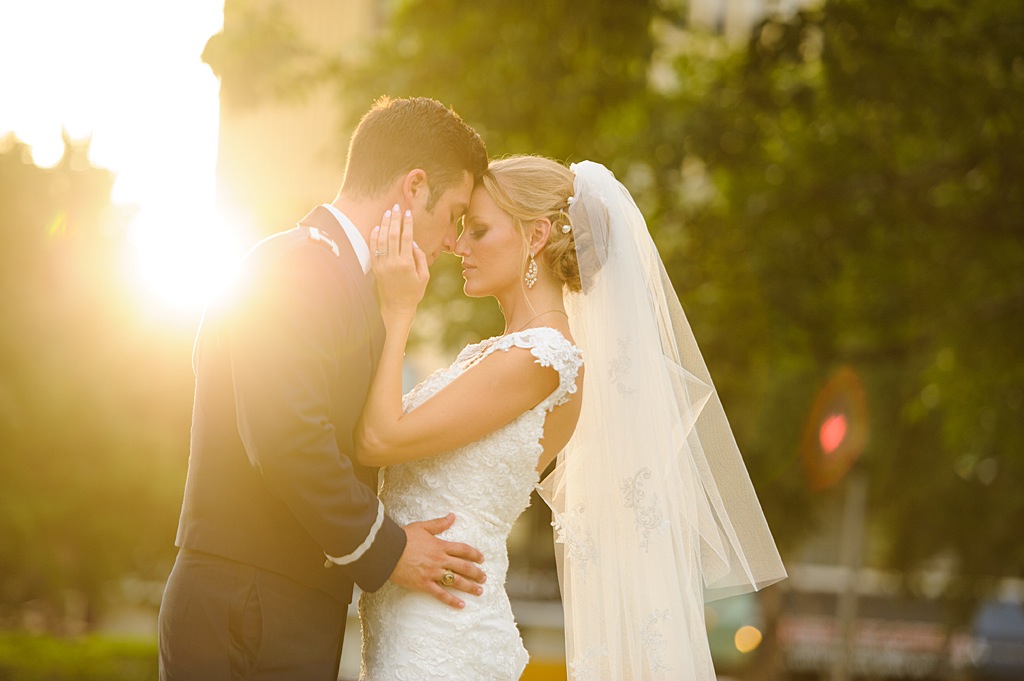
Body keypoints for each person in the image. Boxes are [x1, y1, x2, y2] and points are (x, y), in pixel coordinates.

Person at [355, 155, 788, 680]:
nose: (457, 246)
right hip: (420, 616)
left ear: (536, 235)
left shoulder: (543, 358)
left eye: (479, 230)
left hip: (445, 635)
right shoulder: (502, 354)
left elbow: (379, 438)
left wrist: (397, 310)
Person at [157, 96, 489, 680]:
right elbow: (286, 433)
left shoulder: (339, 277)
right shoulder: (298, 268)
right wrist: (388, 550)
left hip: (274, 600)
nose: (454, 241)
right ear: (414, 188)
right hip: (251, 602)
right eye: (456, 214)